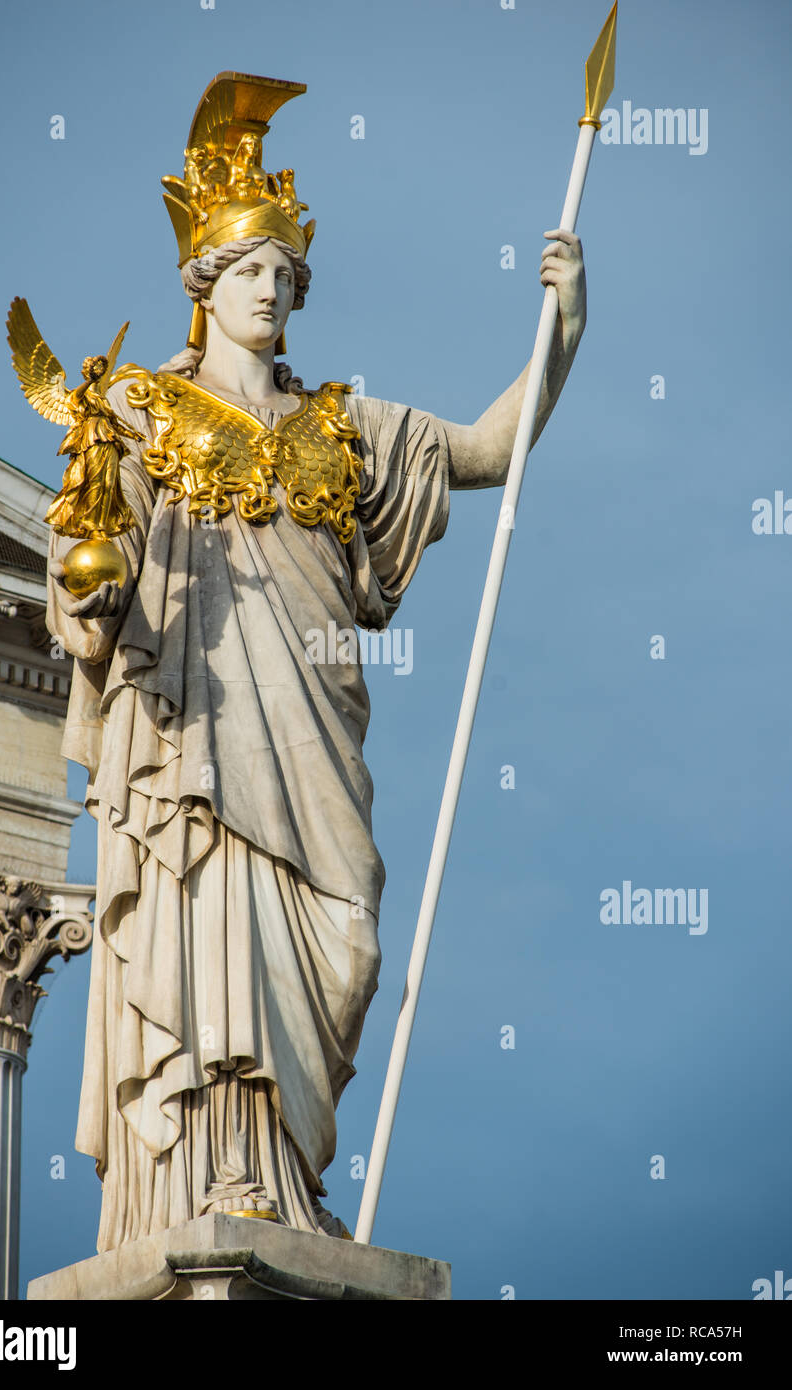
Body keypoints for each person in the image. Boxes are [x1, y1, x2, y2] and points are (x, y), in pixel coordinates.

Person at [45, 75, 586, 1250]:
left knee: (346, 933)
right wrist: (87, 598)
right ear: (204, 284)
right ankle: (218, 1172)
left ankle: (289, 1170)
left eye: (285, 278)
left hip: (314, 735)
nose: (270, 292)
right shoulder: (140, 413)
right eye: (249, 272)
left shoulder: (345, 427)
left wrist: (565, 330)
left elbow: (490, 448)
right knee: (215, 926)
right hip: (198, 731)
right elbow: (92, 555)